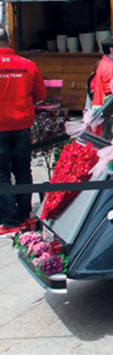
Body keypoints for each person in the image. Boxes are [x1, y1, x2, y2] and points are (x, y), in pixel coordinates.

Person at [0, 28, 45, 235]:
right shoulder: (28, 65)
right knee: (23, 171)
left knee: (1, 175)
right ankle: (25, 213)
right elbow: (40, 95)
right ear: (9, 40)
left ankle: (10, 219)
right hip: (21, 127)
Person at [89, 35, 113, 107]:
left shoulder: (106, 63)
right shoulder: (109, 67)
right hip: (110, 108)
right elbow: (110, 91)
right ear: (112, 50)